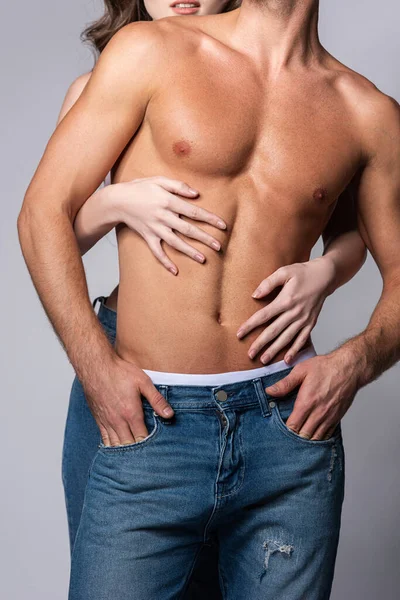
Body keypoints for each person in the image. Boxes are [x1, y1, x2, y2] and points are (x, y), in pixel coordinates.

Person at [17, 0, 400, 597]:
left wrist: (353, 362)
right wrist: (96, 366)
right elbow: (43, 211)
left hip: (289, 432)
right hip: (152, 421)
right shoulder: (151, 52)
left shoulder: (367, 112)